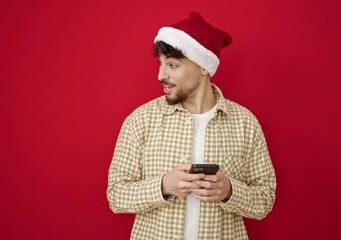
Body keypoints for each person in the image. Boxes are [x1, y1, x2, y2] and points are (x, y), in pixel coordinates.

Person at [107, 12, 276, 240]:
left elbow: (265, 199)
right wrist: (164, 185)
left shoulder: (245, 123)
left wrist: (229, 191)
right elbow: (116, 196)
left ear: (203, 67)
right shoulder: (141, 120)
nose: (161, 75)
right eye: (161, 64)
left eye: (173, 65)